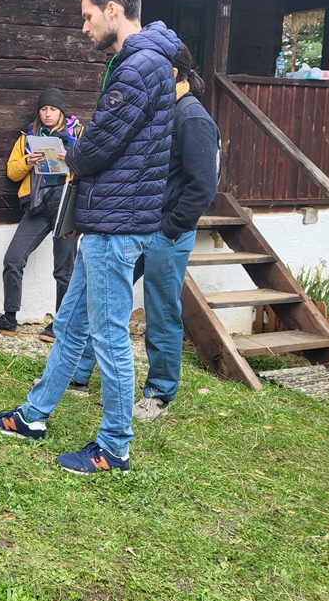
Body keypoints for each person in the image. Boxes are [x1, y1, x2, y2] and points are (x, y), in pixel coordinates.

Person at [0, 0, 178, 474]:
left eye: (87, 16)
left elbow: (98, 148)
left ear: (113, 10)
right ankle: (34, 416)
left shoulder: (138, 66)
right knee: (69, 325)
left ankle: (114, 447)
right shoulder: (142, 63)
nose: (83, 27)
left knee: (109, 336)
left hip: (116, 225)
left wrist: (70, 151)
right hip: (110, 219)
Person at [67, 43, 221, 420]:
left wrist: (170, 228)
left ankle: (159, 394)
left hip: (166, 233)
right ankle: (78, 375)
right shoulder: (162, 110)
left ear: (171, 74)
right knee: (101, 298)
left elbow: (203, 185)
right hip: (134, 223)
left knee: (161, 310)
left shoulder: (193, 117)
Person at [0, 89, 83, 341]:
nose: (47, 113)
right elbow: (12, 172)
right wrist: (28, 161)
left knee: (64, 270)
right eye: (44, 109)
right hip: (38, 205)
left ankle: (61, 324)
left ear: (61, 112)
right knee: (13, 258)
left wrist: (72, 157)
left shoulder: (78, 133)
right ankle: (9, 319)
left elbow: (91, 166)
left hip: (66, 205)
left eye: (53, 109)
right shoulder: (28, 137)